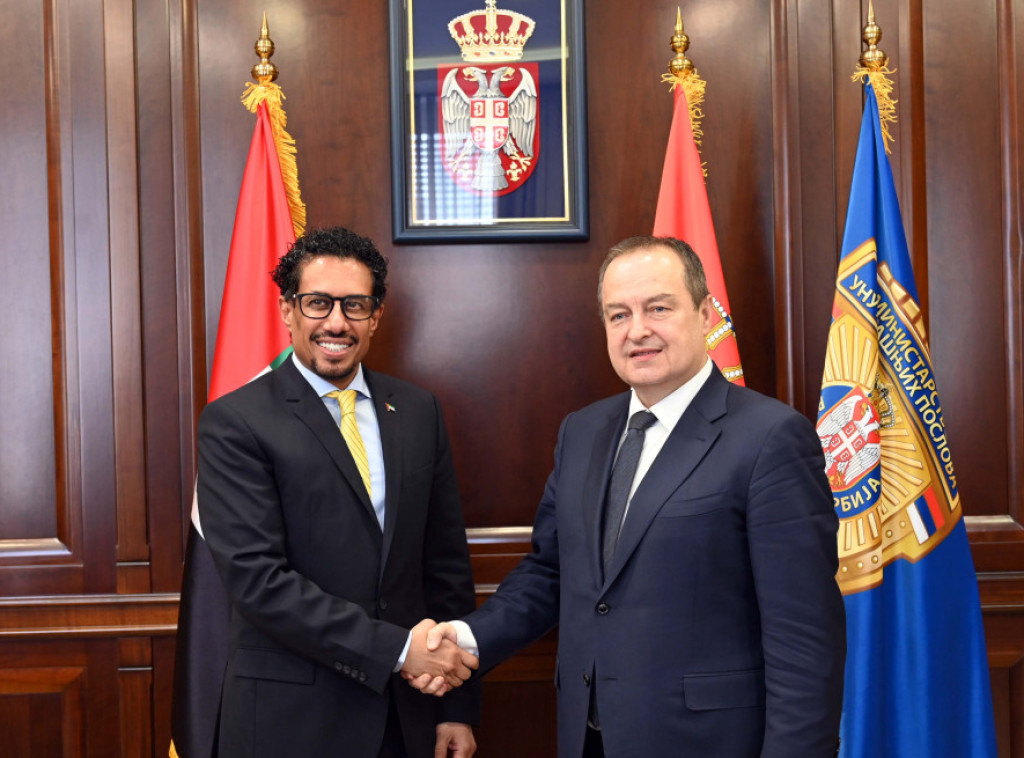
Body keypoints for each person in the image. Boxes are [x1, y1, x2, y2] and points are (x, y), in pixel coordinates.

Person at [407, 236, 846, 757]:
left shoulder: (771, 437)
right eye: (619, 315)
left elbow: (803, 639)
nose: (637, 330)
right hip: (588, 738)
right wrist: (466, 638)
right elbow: (551, 572)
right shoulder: (582, 431)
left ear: (705, 314)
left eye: (658, 308)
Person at [197, 227, 479, 758]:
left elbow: (445, 566)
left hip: (408, 715)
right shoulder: (235, 422)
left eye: (354, 305)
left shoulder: (418, 411)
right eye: (317, 303)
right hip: (292, 723)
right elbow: (258, 582)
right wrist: (399, 649)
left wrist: (456, 708)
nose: (336, 322)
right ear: (287, 310)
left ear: (375, 316)